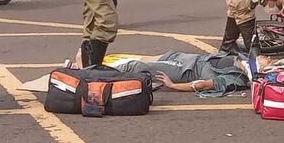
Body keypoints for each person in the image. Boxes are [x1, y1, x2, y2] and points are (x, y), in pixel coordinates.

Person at [114, 51, 273, 96]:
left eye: (268, 61)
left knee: (137, 67)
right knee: (151, 59)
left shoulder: (237, 79)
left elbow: (203, 85)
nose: (269, 57)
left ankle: (100, 74)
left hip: (186, 70)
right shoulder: (245, 61)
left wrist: (173, 85)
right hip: (192, 59)